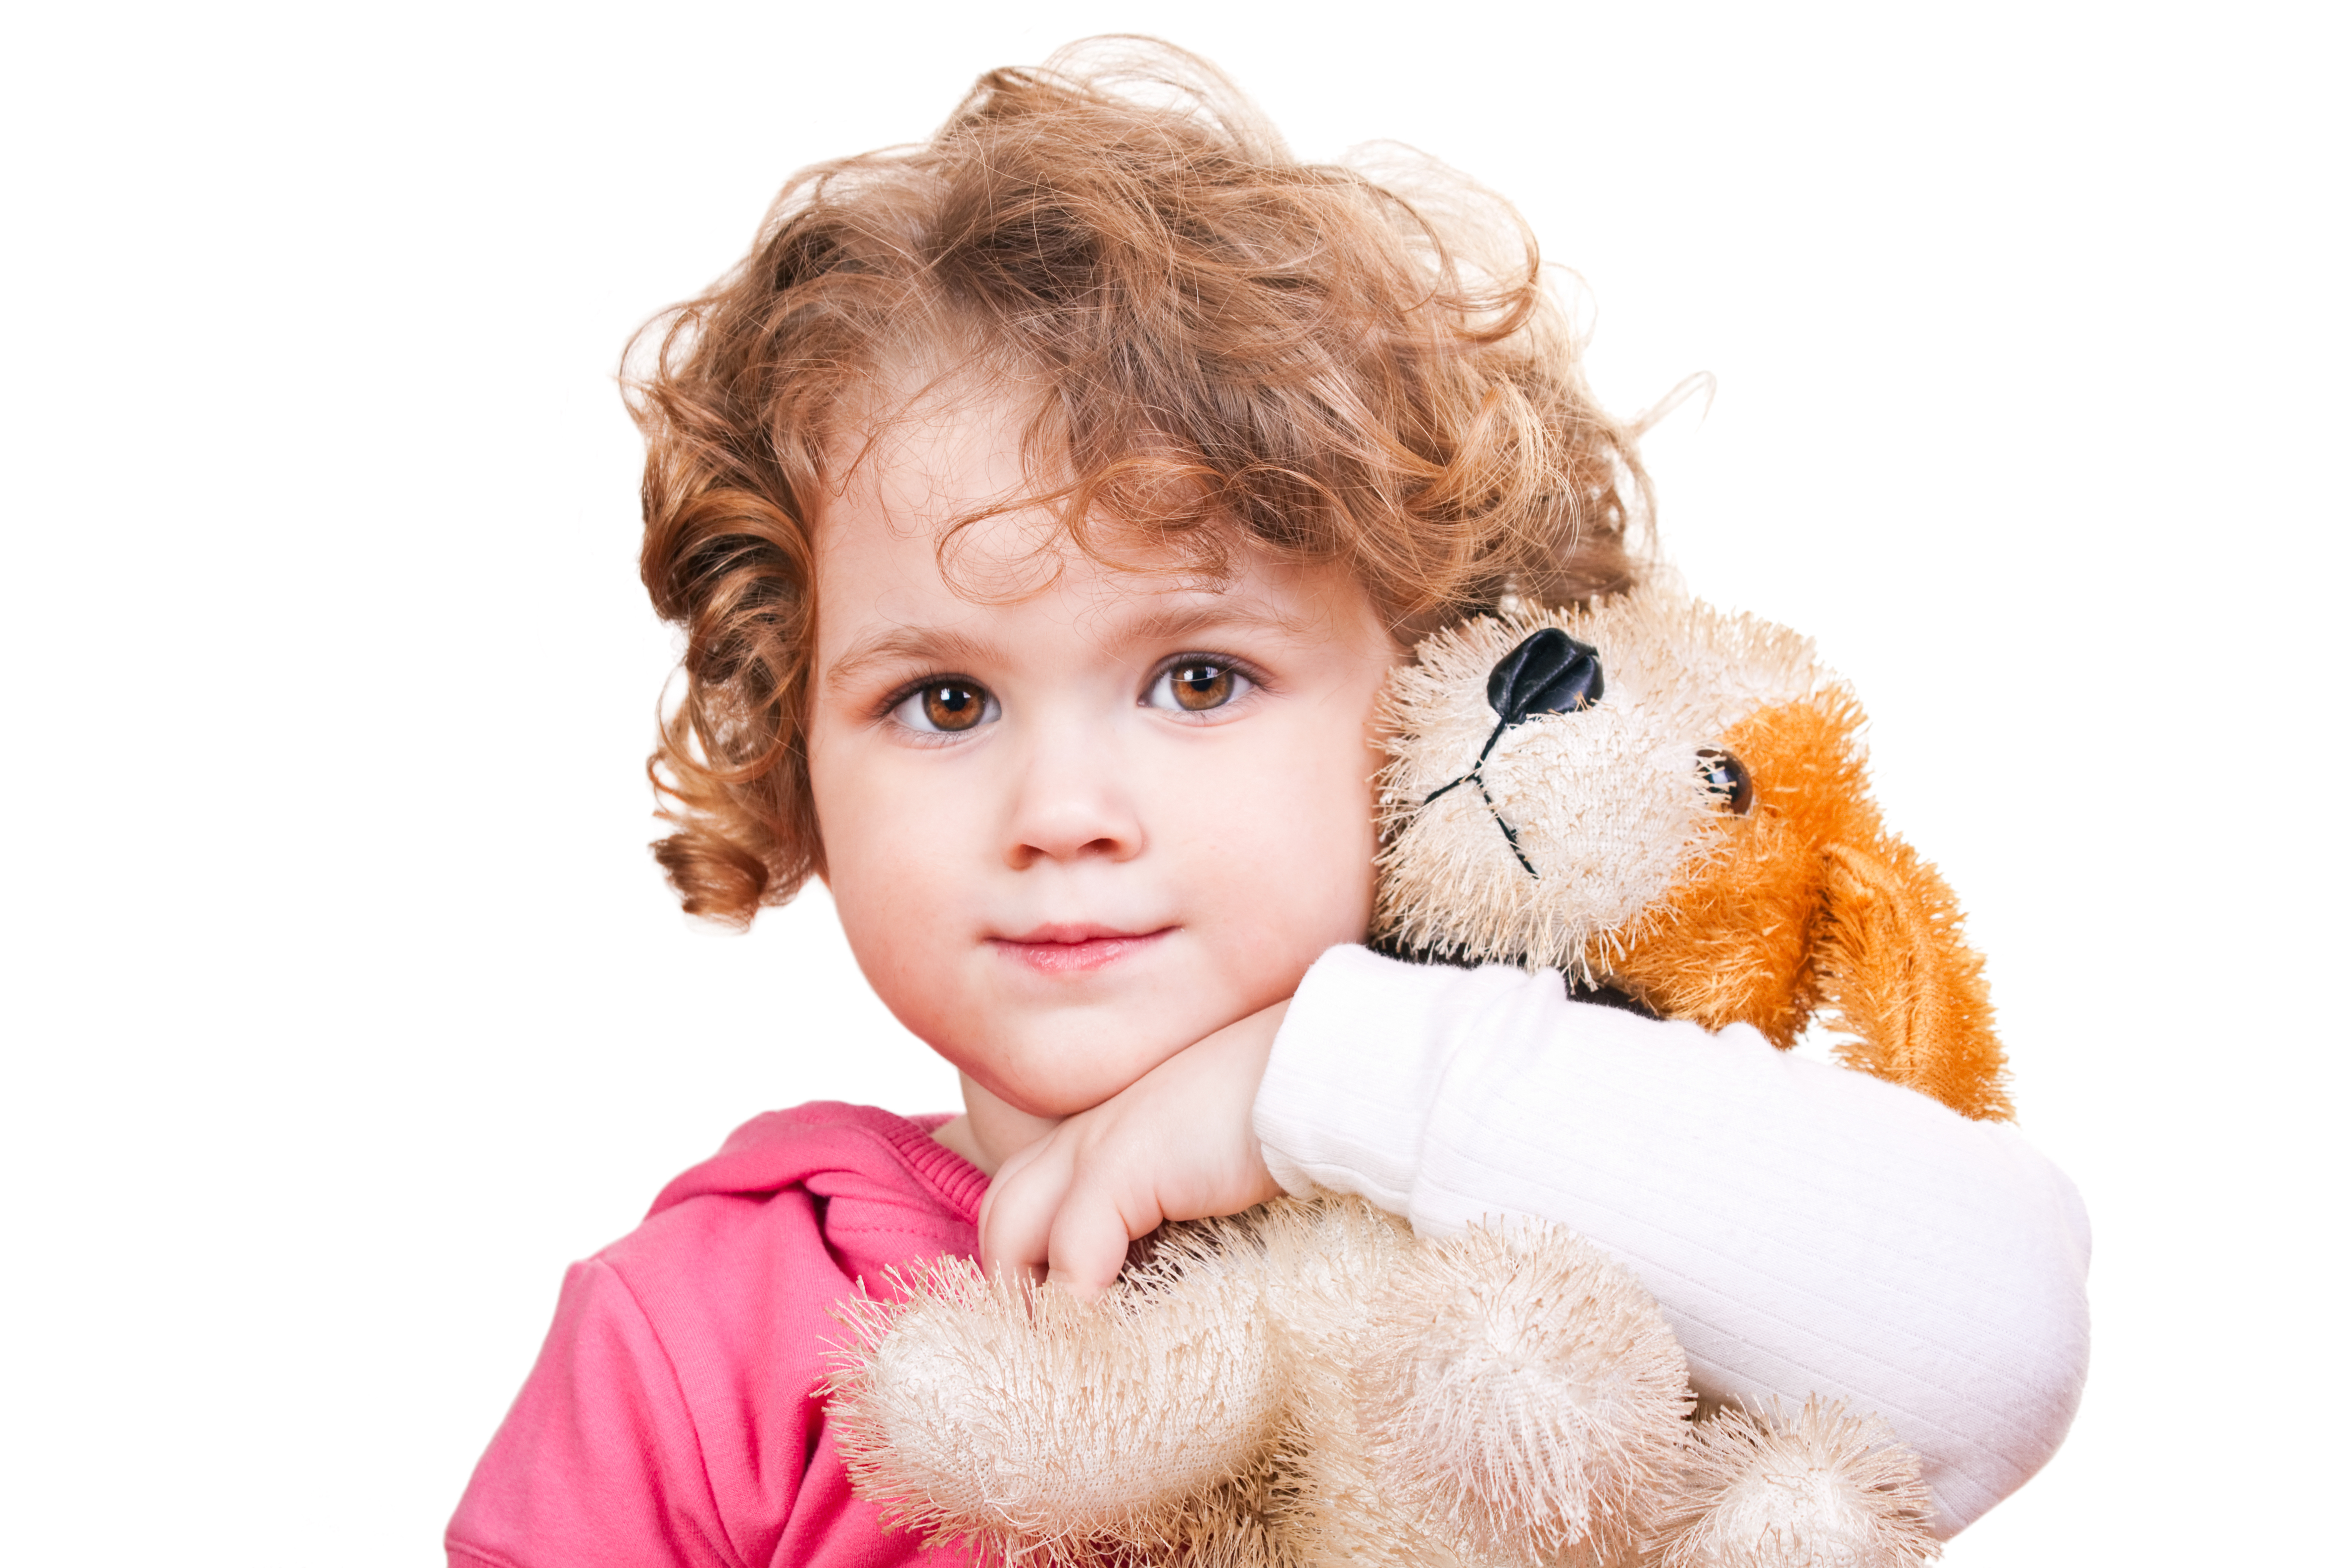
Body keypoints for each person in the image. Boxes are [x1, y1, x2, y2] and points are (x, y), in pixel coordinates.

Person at [446, 39, 2087, 1568]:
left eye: (1199, 679)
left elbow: (2001, 1344)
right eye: (942, 701)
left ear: (1435, 683)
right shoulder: (701, 1335)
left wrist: (1325, 1082)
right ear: (791, 749)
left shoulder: (1581, 1171)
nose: (1066, 808)